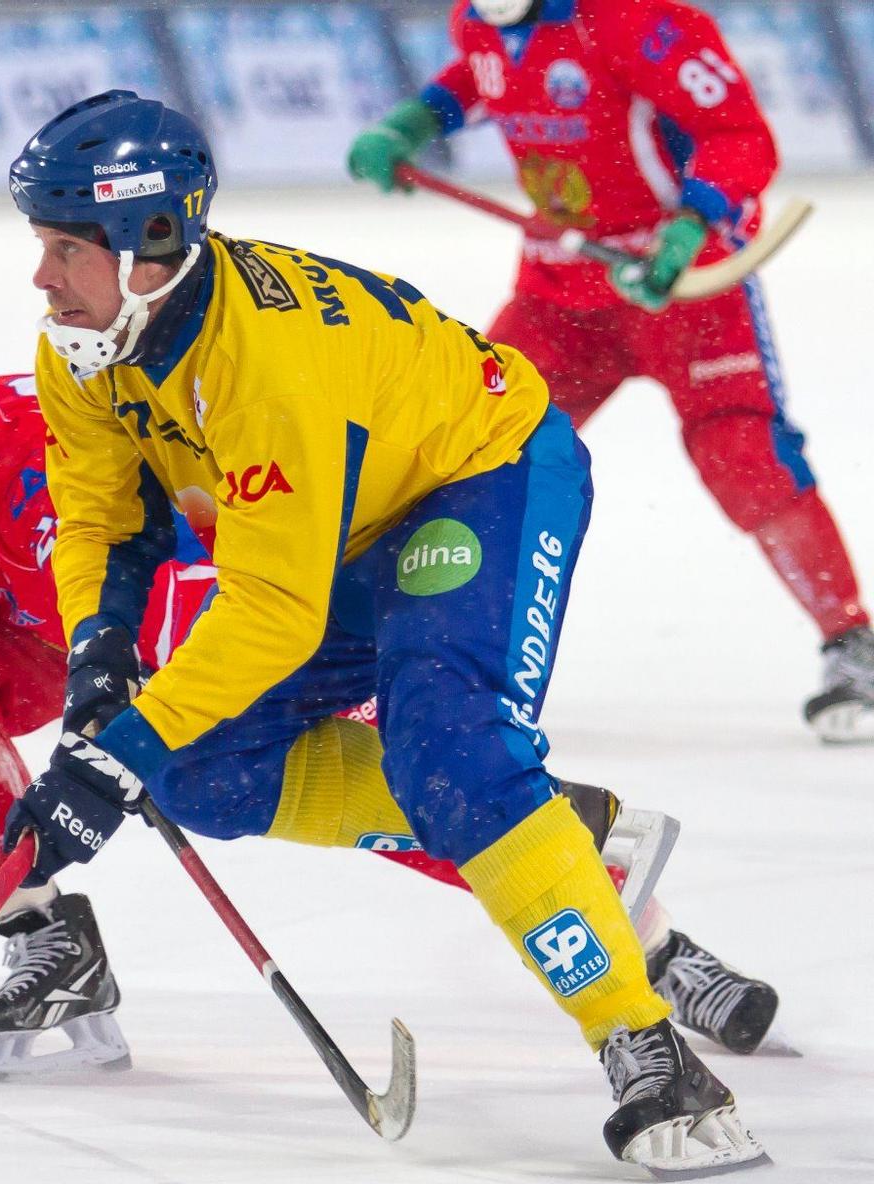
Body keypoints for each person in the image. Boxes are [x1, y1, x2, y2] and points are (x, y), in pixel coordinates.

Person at [0, 293, 778, 1081]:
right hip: (1, 624)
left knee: (343, 779)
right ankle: (50, 939)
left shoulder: (53, 478)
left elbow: (212, 636)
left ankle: (636, 920)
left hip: (196, 598)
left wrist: (118, 739)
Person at [5, 90, 765, 1177]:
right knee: (201, 773)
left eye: (64, 250)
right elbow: (100, 521)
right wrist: (97, 666)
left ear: (150, 245)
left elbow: (271, 609)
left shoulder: (263, 365)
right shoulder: (85, 343)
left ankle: (645, 1049)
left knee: (447, 751)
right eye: (42, 247)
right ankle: (555, 835)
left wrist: (114, 752)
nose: (41, 278)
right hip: (350, 517)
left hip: (480, 476)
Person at [347, 0, 871, 743]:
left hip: (681, 282)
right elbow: (486, 71)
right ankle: (387, 656)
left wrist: (694, 221)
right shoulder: (479, 17)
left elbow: (737, 132)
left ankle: (851, 641)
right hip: (560, 290)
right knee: (464, 444)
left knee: (742, 455)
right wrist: (418, 119)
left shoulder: (640, 20)